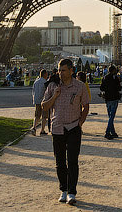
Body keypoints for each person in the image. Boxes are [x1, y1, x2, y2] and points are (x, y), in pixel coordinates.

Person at [41, 59, 89, 205]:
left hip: (73, 127)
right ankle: (64, 190)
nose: (60, 73)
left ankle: (72, 192)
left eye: (63, 70)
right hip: (57, 128)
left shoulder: (80, 86)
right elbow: (44, 106)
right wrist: (55, 95)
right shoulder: (53, 86)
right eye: (59, 70)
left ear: (71, 71)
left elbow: (86, 106)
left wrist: (80, 123)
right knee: (60, 162)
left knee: (73, 161)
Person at [99, 65, 122, 140]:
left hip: (107, 98)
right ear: (113, 71)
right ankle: (107, 132)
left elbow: (101, 88)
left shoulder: (105, 77)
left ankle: (113, 132)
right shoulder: (115, 78)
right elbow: (119, 87)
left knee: (110, 116)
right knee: (112, 117)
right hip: (114, 98)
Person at [31, 69, 50, 135]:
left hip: (37, 100)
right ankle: (42, 130)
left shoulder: (36, 82)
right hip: (43, 100)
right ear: (44, 74)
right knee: (44, 116)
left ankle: (34, 127)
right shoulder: (45, 82)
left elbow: (33, 91)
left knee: (37, 115)